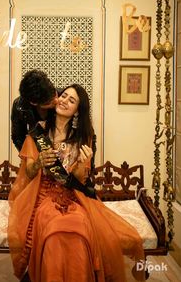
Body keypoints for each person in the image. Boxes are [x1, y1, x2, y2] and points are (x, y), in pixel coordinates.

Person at [8, 84, 145, 282]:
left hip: (74, 197)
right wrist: (39, 162)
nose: (64, 101)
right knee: (52, 229)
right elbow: (28, 172)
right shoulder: (38, 133)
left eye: (71, 100)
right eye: (63, 96)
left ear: (77, 111)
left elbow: (79, 180)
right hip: (44, 195)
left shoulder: (83, 138)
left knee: (80, 228)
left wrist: (81, 163)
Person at [11, 69, 58, 151]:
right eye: (49, 103)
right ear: (34, 103)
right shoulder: (19, 107)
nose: (57, 101)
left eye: (55, 94)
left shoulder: (64, 97)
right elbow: (18, 138)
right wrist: (31, 156)